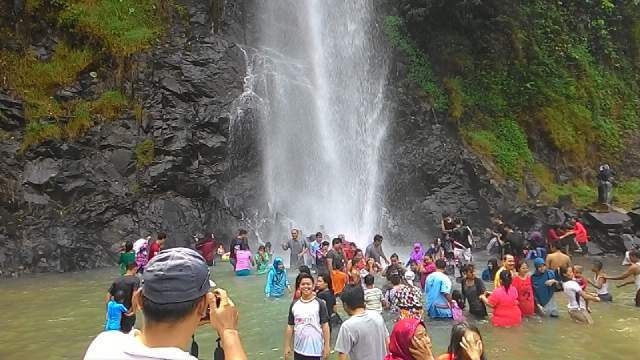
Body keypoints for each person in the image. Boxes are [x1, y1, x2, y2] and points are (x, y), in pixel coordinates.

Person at [84, 248, 247, 360]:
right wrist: (228, 331)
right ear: (204, 305)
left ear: (138, 299)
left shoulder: (104, 344)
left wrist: (180, 322)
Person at [335, 285, 389, 360]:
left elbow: (342, 356)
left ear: (345, 305)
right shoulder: (377, 317)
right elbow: (387, 344)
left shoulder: (347, 326)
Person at [284, 273, 330, 360]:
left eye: (308, 284)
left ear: (313, 286)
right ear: (299, 286)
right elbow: (290, 326)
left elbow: (325, 326)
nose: (306, 286)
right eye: (303, 284)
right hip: (298, 350)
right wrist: (287, 346)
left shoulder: (320, 303)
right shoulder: (294, 304)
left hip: (316, 350)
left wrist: (327, 346)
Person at [106, 261, 140, 333]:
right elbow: (135, 296)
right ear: (135, 268)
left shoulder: (117, 280)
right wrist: (133, 310)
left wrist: (109, 310)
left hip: (116, 312)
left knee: (117, 332)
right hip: (127, 311)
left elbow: (108, 296)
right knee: (128, 332)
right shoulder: (135, 280)